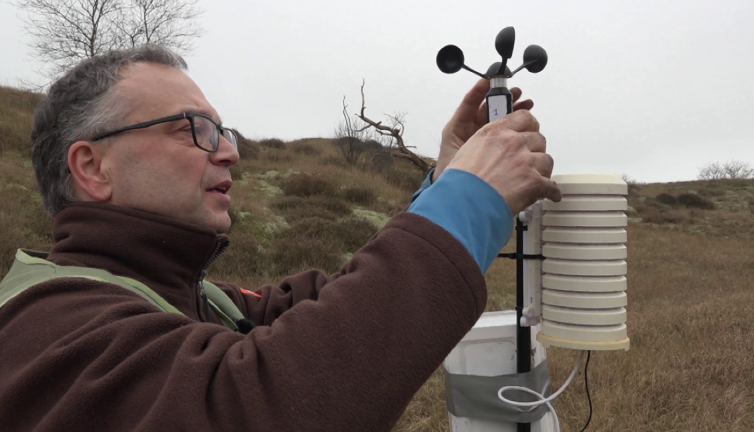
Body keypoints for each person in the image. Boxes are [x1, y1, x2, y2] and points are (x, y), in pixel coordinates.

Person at [0, 45, 560, 431]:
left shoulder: (188, 295)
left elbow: (333, 307)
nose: (229, 150)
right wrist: (469, 201)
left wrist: (444, 179)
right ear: (93, 167)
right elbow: (256, 406)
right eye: (193, 128)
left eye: (223, 130)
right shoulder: (45, 328)